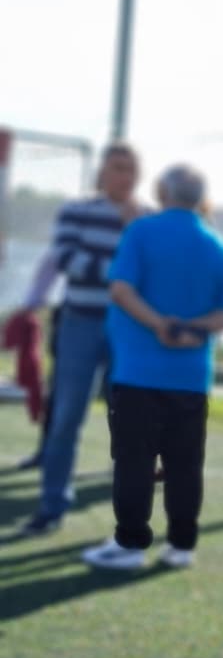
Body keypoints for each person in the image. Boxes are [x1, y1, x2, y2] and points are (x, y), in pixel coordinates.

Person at [80, 165, 223, 570]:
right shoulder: (217, 244)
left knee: (134, 461)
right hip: (191, 378)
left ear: (161, 191)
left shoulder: (141, 232)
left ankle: (130, 545)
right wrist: (192, 328)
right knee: (185, 465)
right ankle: (181, 545)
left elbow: (121, 290)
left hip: (138, 372)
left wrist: (162, 325)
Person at [15, 144, 144, 532]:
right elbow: (68, 260)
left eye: (131, 170)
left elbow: (155, 272)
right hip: (81, 324)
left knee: (133, 417)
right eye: (118, 168)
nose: (125, 176)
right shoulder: (77, 211)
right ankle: (52, 507)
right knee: (67, 416)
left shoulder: (147, 220)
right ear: (103, 172)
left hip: (129, 330)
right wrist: (123, 273)